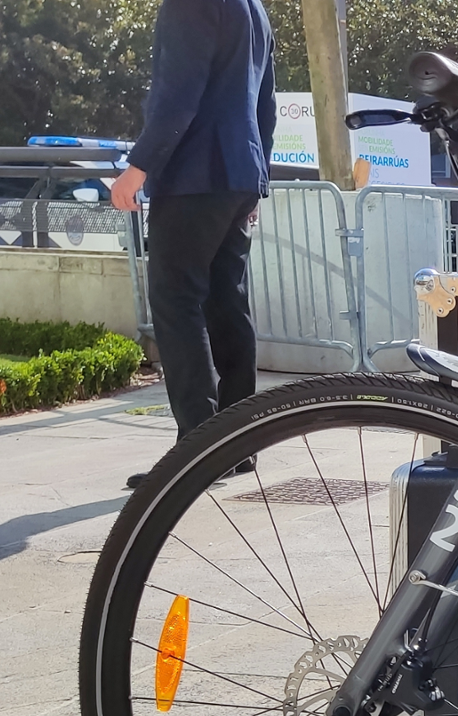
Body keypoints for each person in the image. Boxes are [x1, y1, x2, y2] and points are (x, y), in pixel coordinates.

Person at [111, 0, 276, 489]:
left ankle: (196, 451)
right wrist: (256, 178)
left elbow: (178, 92)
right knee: (227, 302)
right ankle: (237, 444)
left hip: (193, 176)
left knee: (176, 299)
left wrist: (138, 167)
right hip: (238, 173)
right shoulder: (254, 8)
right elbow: (264, 104)